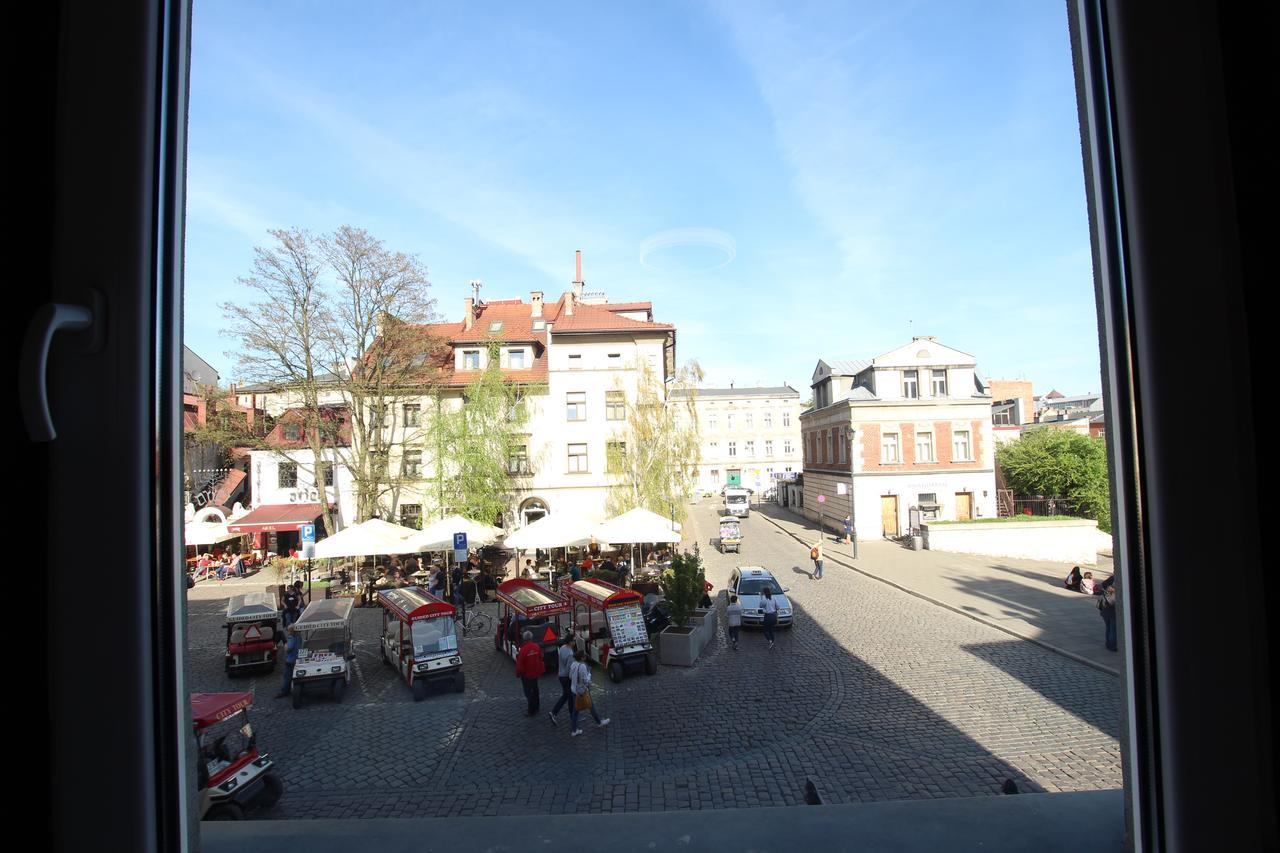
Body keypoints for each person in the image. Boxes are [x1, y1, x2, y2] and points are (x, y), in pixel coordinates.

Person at [568, 649, 609, 736]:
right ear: (582, 658)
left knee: (578, 709)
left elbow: (570, 676)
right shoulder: (582, 666)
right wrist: (589, 674)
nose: (586, 657)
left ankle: (575, 729)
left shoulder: (573, 664)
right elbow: (586, 681)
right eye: (585, 656)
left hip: (574, 690)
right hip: (581, 691)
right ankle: (575, 730)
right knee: (589, 706)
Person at [514, 630, 545, 716]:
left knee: (528, 692)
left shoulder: (523, 650)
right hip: (535, 673)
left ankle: (531, 710)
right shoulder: (536, 647)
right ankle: (537, 706)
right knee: (535, 690)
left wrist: (518, 674)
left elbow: (520, 664)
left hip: (526, 675)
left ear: (524, 639)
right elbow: (540, 659)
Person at [549, 630, 576, 725]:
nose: (574, 642)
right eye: (573, 640)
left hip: (561, 675)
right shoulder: (570, 654)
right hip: (566, 677)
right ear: (570, 642)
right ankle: (556, 713)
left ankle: (557, 713)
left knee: (567, 695)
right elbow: (570, 669)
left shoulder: (562, 648)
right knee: (570, 696)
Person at [275, 624, 302, 698]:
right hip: (297, 659)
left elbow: (289, 648)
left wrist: (285, 645)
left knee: (287, 676)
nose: (287, 632)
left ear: (291, 631)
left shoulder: (291, 637)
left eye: (288, 631)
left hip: (290, 660)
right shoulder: (299, 637)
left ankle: (285, 691)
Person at [1097, 583, 1118, 651]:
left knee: (1108, 628)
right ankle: (1112, 646)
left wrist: (1102, 610)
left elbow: (1098, 606)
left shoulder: (1102, 596)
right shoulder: (1115, 597)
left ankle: (1108, 643)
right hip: (1113, 614)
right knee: (1113, 630)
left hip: (1105, 615)